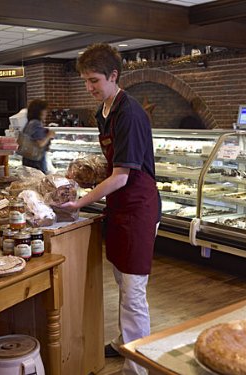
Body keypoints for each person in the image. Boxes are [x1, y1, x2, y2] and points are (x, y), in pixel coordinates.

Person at [61, 43, 161, 375]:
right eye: (85, 81)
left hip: (138, 206)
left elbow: (122, 176)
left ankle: (138, 368)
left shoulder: (129, 113)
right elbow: (113, 166)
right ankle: (124, 342)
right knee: (122, 279)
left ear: (113, 76)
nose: (89, 88)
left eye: (94, 81)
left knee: (133, 292)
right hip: (121, 206)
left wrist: (78, 202)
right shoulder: (104, 110)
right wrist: (84, 174)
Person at [21, 99, 55, 173]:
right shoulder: (36, 123)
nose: (46, 113)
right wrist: (49, 135)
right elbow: (40, 143)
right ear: (39, 111)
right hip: (36, 162)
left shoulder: (29, 123)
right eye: (44, 110)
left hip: (28, 160)